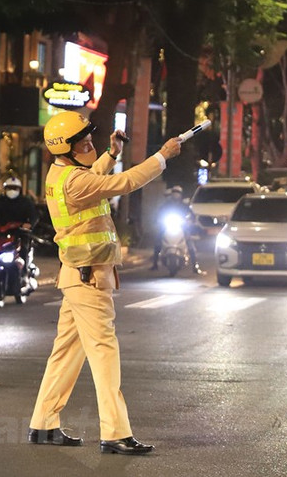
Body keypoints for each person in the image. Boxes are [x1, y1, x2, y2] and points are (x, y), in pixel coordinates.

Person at [28, 110, 181, 455]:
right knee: (104, 353)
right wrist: (161, 156)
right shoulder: (75, 180)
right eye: (82, 140)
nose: (89, 143)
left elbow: (93, 178)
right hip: (90, 278)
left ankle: (43, 423)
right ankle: (115, 433)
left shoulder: (61, 173)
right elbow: (122, 183)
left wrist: (112, 154)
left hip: (77, 276)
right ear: (66, 146)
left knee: (66, 353)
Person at [0, 176, 40, 265]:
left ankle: (23, 272)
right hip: (2, 233)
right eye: (9, 188)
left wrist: (29, 224)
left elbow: (34, 216)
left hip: (20, 233)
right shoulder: (0, 201)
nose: (12, 190)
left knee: (24, 249)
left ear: (19, 189)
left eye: (14, 188)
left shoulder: (25, 202)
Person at [150, 185, 202, 274]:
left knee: (189, 243)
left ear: (181, 195)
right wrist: (157, 220)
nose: (176, 195)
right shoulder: (166, 205)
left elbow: (191, 215)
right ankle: (155, 264)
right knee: (158, 240)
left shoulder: (184, 205)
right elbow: (159, 213)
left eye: (178, 193)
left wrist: (191, 220)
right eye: (174, 193)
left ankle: (195, 265)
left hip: (182, 227)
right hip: (167, 226)